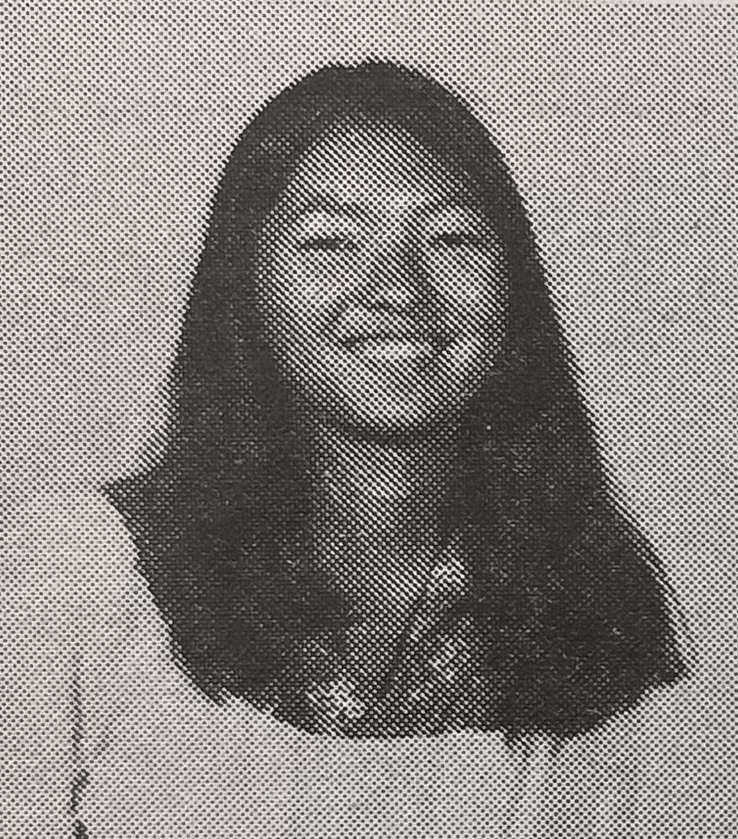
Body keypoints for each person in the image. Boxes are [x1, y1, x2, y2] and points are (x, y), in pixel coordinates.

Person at [2, 61, 686, 837]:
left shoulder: (583, 603)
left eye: (451, 239)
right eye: (331, 241)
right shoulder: (76, 571)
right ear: (245, 285)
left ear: (513, 289)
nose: (399, 288)